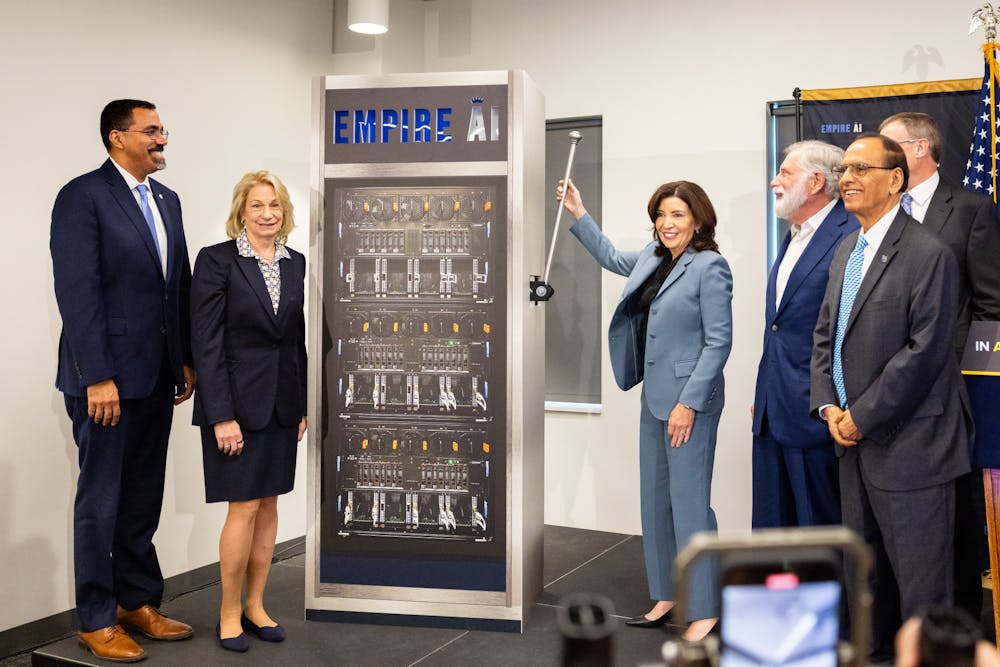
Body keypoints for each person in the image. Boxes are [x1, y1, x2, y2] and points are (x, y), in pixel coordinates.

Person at [809, 133, 973, 663]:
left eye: (860, 168)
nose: (847, 178)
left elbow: (924, 353)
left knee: (923, 585)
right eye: (844, 170)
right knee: (867, 578)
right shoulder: (844, 251)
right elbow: (825, 338)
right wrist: (830, 407)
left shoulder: (929, 253)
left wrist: (862, 415)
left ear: (896, 179)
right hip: (851, 442)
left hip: (914, 447)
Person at [50, 99, 196, 662]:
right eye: (152, 130)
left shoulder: (167, 199)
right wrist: (98, 377)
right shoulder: (83, 196)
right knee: (101, 499)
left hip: (157, 377)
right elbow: (78, 293)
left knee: (141, 497)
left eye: (162, 129)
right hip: (105, 383)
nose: (163, 138)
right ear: (117, 137)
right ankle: (94, 617)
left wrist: (183, 360)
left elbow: (174, 285)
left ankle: (137, 602)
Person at [557, 178, 732, 641]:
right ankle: (667, 595)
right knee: (655, 504)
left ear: (697, 219)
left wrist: (688, 404)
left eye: (677, 214)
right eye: (660, 214)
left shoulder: (710, 267)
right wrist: (579, 212)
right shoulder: (654, 258)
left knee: (689, 505)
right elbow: (614, 257)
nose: (667, 223)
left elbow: (718, 343)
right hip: (653, 398)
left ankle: (706, 609)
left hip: (689, 404)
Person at [880, 111, 1000, 624]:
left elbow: (992, 307)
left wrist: (964, 380)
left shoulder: (971, 209)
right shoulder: (880, 214)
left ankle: (962, 630)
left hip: (952, 395)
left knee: (960, 517)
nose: (878, 158)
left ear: (920, 149)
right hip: (885, 393)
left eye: (889, 147)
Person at [190, 171, 307, 653]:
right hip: (235, 408)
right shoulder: (217, 261)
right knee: (243, 507)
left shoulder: (295, 262)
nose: (267, 214)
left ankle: (256, 605)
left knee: (270, 506)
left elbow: (295, 341)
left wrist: (300, 406)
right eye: (257, 205)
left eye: (275, 205)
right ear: (241, 211)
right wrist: (221, 415)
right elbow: (206, 342)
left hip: (281, 405)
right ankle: (228, 613)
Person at [752, 140, 858, 529]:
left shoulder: (850, 234)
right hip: (772, 410)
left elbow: (845, 330)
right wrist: (765, 393)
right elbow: (780, 326)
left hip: (815, 415)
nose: (774, 182)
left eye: (785, 173)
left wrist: (827, 402)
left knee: (818, 534)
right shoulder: (794, 234)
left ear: (815, 182)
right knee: (773, 530)